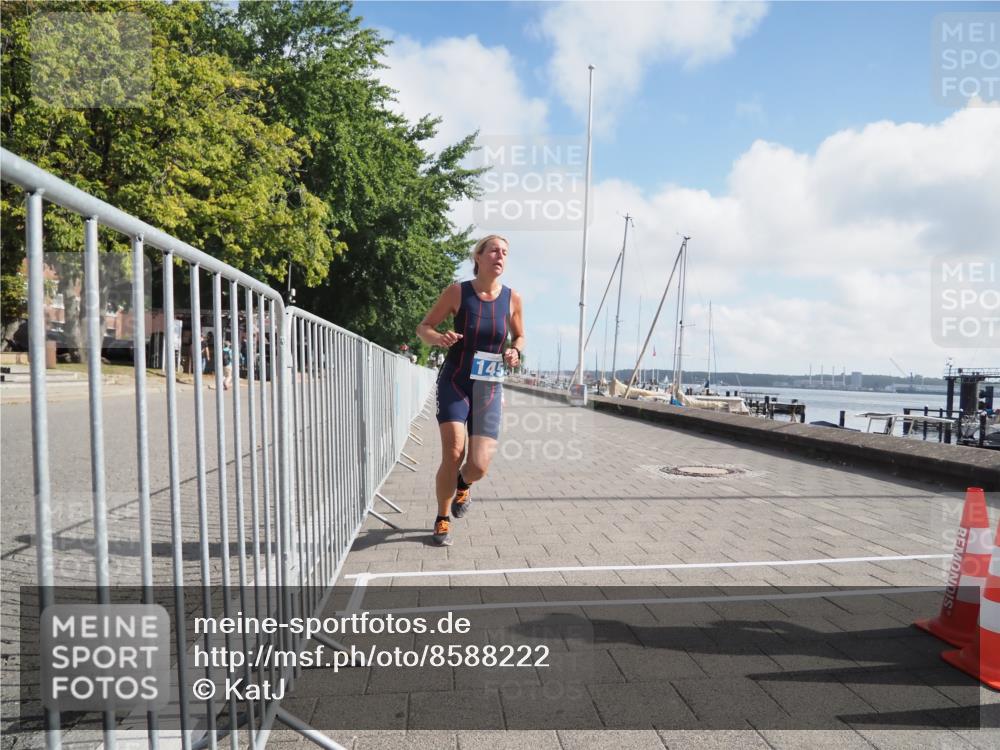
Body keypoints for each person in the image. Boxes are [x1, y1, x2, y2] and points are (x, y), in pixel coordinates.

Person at [416, 235, 524, 546]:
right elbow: (424, 328)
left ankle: (464, 483)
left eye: (505, 251)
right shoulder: (458, 292)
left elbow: (520, 337)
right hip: (456, 381)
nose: (500, 256)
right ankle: (442, 517)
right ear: (478, 256)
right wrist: (439, 338)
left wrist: (516, 351)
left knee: (478, 464)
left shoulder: (513, 298)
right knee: (453, 452)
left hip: (488, 387)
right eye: (493, 250)